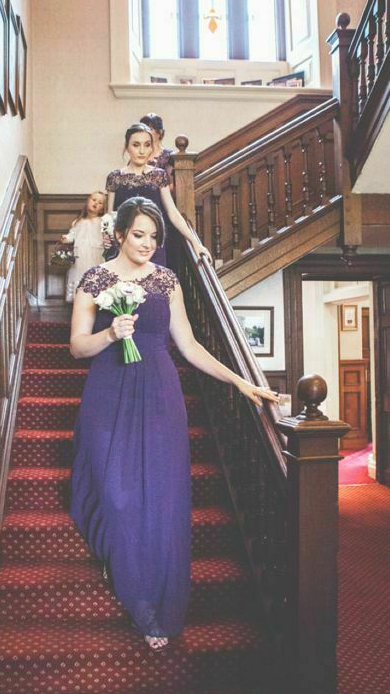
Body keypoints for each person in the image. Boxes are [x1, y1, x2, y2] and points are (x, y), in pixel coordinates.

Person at [68, 198, 279, 648]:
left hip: (161, 394)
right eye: (139, 234)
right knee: (118, 498)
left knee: (161, 501)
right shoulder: (95, 279)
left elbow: (189, 345)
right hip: (108, 393)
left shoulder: (167, 281)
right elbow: (76, 348)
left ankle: (151, 604)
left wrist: (240, 382)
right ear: (119, 234)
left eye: (154, 237)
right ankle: (118, 556)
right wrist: (109, 334)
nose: (147, 243)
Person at [104, 123, 210, 267]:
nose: (142, 151)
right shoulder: (115, 177)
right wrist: (106, 237)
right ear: (127, 147)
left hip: (152, 247)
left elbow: (173, 213)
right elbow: (109, 218)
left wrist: (196, 244)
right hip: (123, 249)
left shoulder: (158, 176)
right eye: (136, 145)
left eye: (147, 145)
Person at [61, 190, 109, 302]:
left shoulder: (103, 221)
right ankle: (79, 301)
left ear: (102, 208)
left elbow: (107, 235)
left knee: (94, 275)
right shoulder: (78, 221)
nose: (96, 203)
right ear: (88, 201)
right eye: (94, 200)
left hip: (95, 254)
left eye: (100, 202)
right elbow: (72, 235)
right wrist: (66, 238)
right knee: (80, 275)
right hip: (80, 255)